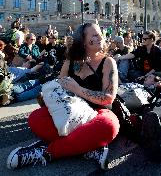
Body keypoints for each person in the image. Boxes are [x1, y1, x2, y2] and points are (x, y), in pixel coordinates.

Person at [6, 23, 120, 170]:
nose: (101, 38)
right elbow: (58, 88)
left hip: (96, 113)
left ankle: (45, 152)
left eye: (100, 34)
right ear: (83, 41)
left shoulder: (107, 62)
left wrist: (78, 89)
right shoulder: (70, 61)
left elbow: (108, 97)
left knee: (109, 126)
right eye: (95, 35)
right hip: (69, 112)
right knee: (35, 118)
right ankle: (88, 146)